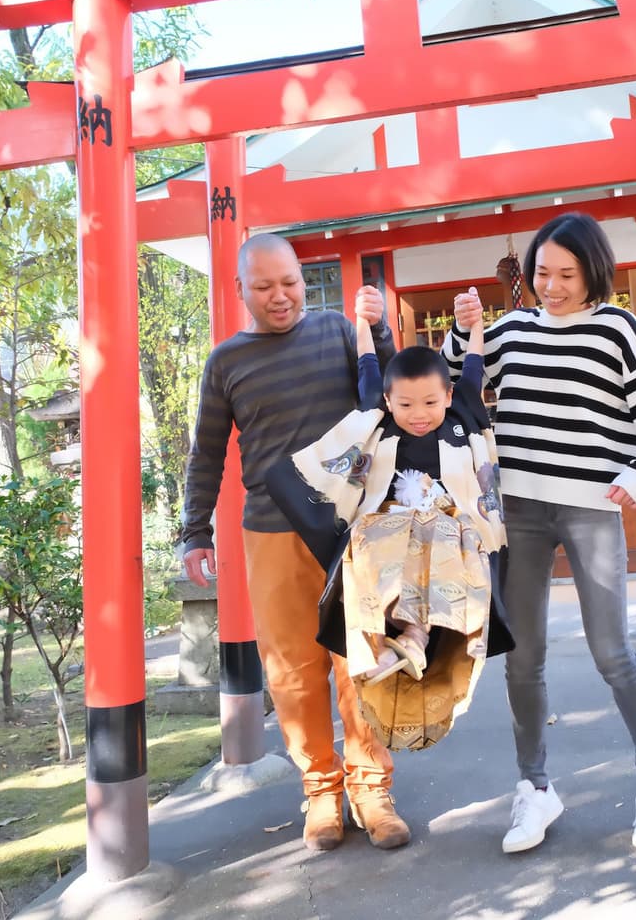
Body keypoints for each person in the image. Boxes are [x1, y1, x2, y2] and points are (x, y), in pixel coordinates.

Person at [443, 211, 636, 854]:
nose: (551, 286)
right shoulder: (513, 329)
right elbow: (452, 385)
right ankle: (535, 788)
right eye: (542, 273)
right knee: (522, 660)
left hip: (589, 507)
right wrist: (464, 331)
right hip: (518, 512)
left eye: (566, 274)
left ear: (593, 272)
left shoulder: (618, 329)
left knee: (613, 653)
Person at [178, 233, 409, 853]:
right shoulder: (226, 362)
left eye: (289, 283)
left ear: (303, 279)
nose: (280, 298)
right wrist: (194, 530)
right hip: (272, 527)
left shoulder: (337, 330)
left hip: (349, 523)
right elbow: (206, 452)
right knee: (291, 670)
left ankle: (372, 787)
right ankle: (321, 791)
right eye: (264, 288)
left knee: (363, 656)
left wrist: (379, 329)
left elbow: (390, 393)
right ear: (240, 291)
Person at [267, 292, 513, 752]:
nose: (418, 415)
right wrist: (363, 320)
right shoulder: (379, 420)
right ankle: (376, 645)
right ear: (387, 400)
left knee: (451, 544)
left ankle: (432, 633)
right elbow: (366, 362)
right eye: (405, 406)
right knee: (360, 551)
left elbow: (475, 363)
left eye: (429, 404)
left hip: (448, 525)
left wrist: (476, 322)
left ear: (448, 396)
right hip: (388, 524)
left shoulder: (463, 414)